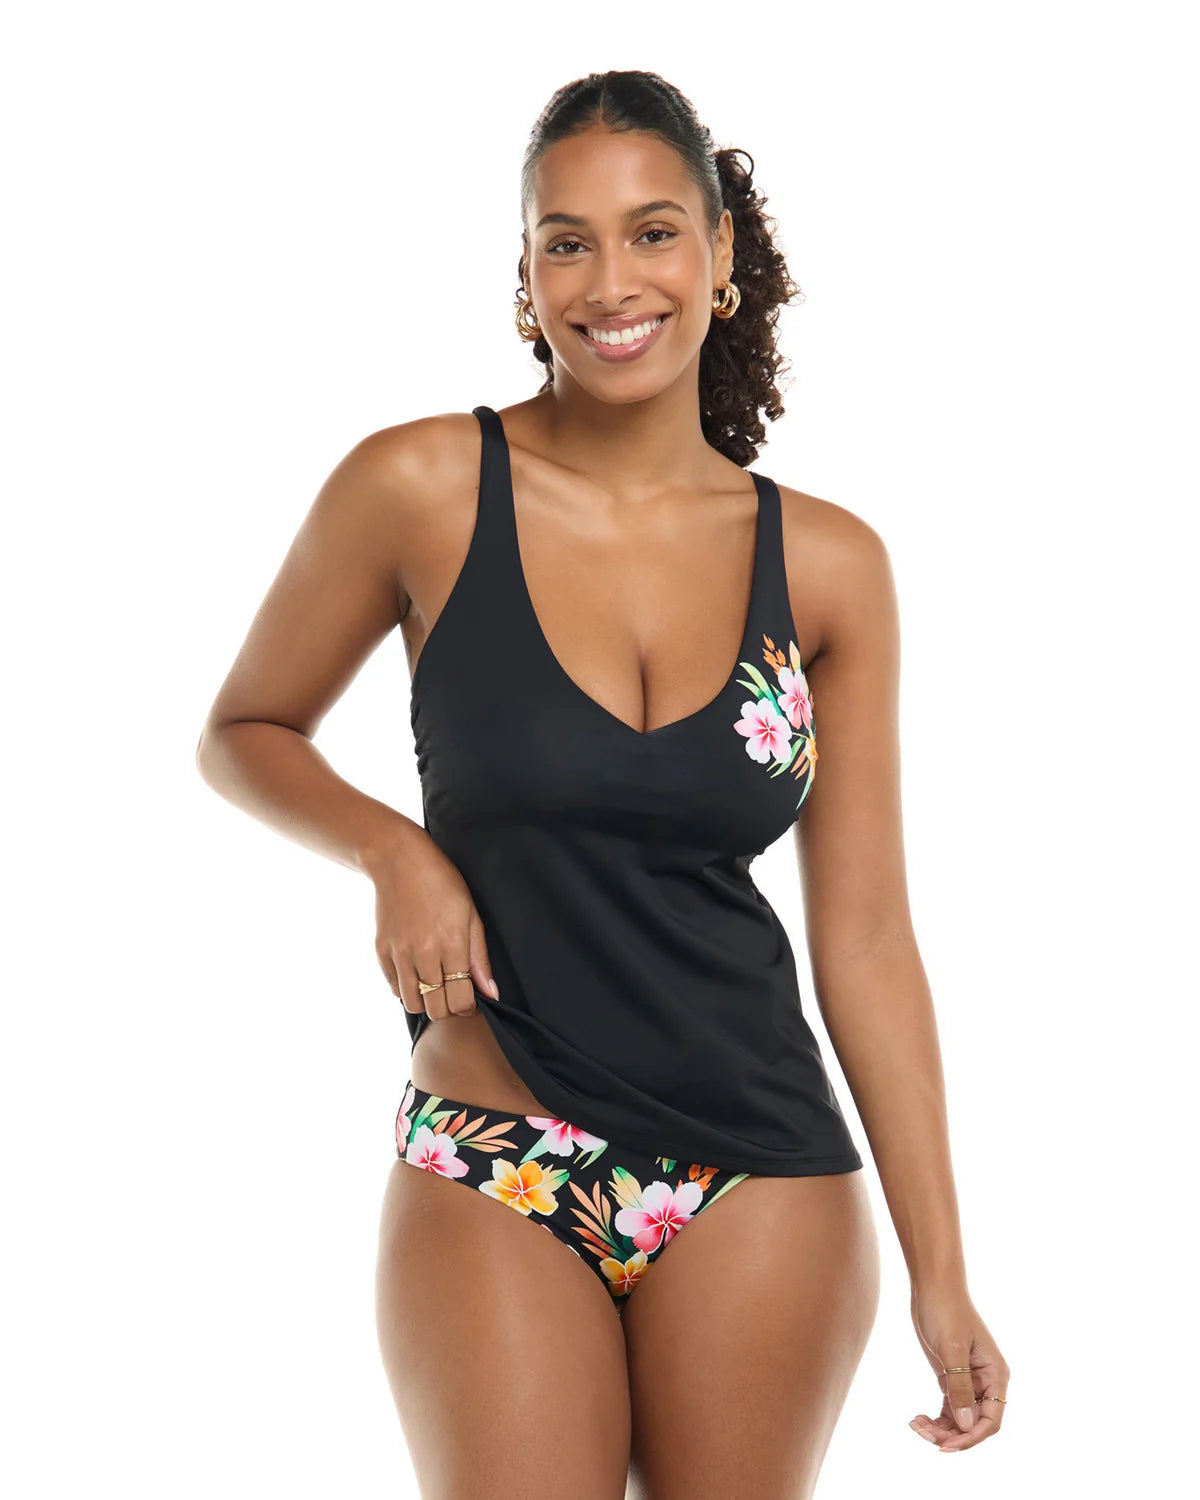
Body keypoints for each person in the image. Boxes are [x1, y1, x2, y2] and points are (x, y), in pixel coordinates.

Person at [196, 68, 1009, 1500]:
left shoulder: (830, 566)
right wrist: (394, 851)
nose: (611, 281)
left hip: (763, 1168)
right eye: (565, 241)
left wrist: (944, 1274)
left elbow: (870, 939)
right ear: (524, 273)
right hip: (499, 1142)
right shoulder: (423, 487)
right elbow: (246, 728)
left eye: (652, 233)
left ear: (720, 255)